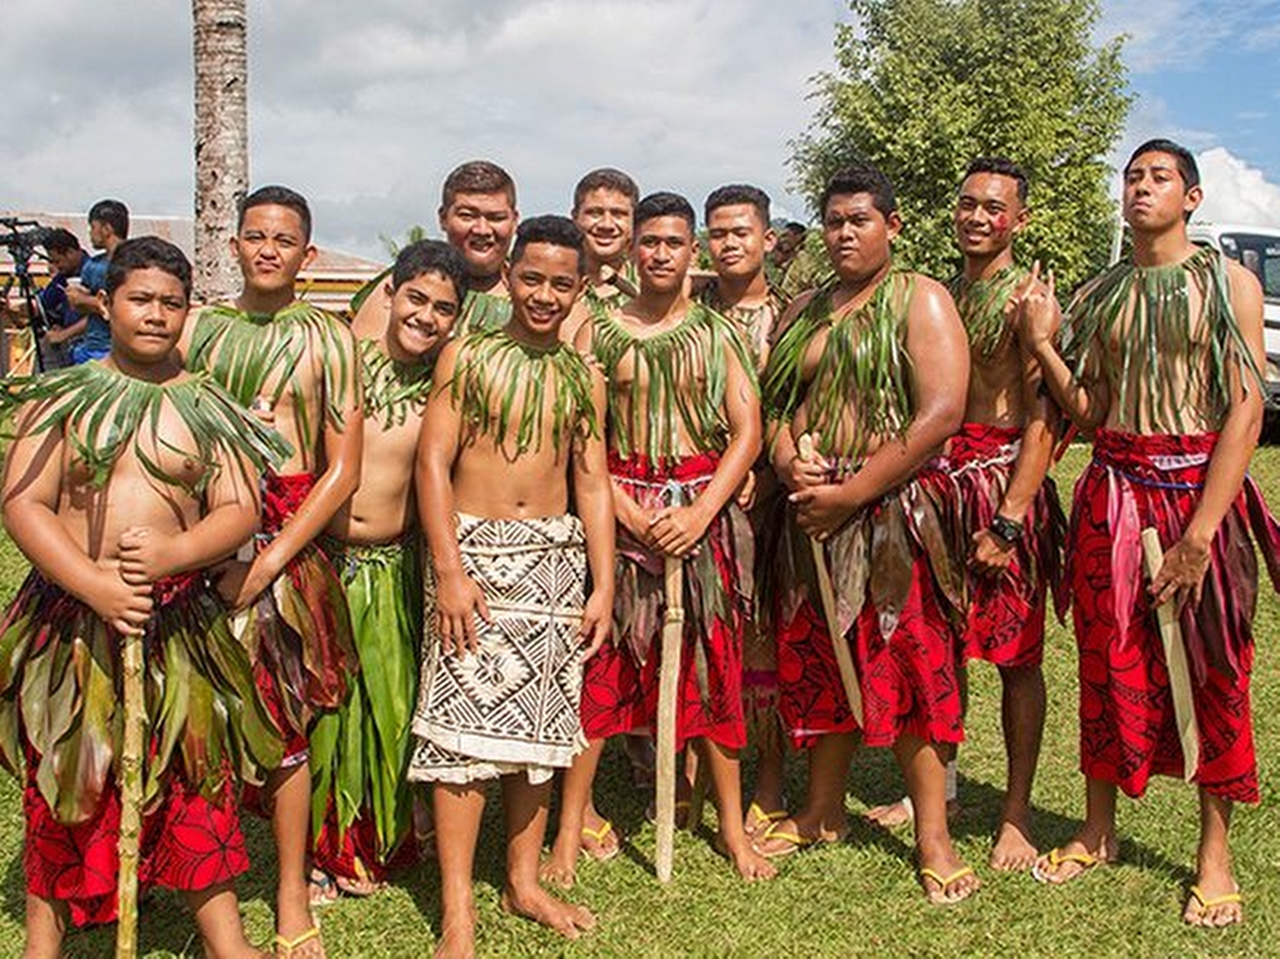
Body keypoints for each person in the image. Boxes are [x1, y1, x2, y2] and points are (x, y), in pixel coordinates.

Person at [0, 236, 288, 959]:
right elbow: (24, 502)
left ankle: (228, 942)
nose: (156, 314)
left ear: (188, 312)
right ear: (112, 301)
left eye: (172, 302)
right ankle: (44, 942)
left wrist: (174, 553)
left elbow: (238, 508)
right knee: (68, 777)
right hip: (73, 617)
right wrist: (94, 583)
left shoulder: (206, 406)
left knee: (196, 781)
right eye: (140, 299)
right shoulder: (65, 394)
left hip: (179, 621)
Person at [1022, 139, 1278, 928]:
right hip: (1113, 492)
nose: (1140, 187)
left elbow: (1245, 407)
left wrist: (1202, 530)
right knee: (1106, 661)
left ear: (1192, 198)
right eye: (1131, 177)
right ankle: (1097, 830)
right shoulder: (1101, 294)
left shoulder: (1226, 282)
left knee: (1213, 673)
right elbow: (1089, 410)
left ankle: (1213, 852)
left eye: (1158, 177)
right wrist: (1040, 342)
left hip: (1197, 494)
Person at [756, 164, 976, 905]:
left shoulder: (921, 299)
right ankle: (821, 811)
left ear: (893, 226)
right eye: (834, 221)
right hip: (814, 509)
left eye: (860, 220)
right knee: (818, 660)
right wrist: (792, 463)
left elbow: (940, 412)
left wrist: (851, 493)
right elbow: (776, 404)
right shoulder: (806, 310)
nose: (845, 233)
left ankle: (934, 835)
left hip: (894, 513)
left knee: (911, 665)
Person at [547, 191, 776, 884]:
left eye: (673, 243)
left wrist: (702, 511)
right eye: (649, 242)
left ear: (692, 251)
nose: (659, 254)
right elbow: (580, 440)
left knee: (715, 671)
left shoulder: (718, 333)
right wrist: (623, 510)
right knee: (602, 673)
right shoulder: (598, 332)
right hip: (622, 514)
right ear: (633, 249)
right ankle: (566, 833)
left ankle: (733, 829)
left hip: (701, 517)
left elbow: (747, 433)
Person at [409, 215, 614, 957]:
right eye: (532, 279)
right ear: (509, 277)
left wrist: (604, 581)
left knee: (537, 736)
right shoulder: (467, 356)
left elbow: (592, 483)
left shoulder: (584, 374)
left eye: (562, 283)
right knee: (461, 741)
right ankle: (457, 913)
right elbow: (433, 463)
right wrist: (449, 570)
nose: (545, 295)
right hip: (475, 560)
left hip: (555, 560)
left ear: (581, 288)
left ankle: (524, 881)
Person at [863, 158, 1065, 872]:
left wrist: (1010, 519)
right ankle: (937, 793)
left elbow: (1046, 422)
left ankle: (1014, 814)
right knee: (932, 647)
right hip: (936, 491)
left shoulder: (1028, 299)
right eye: (967, 204)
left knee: (1015, 657)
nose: (978, 217)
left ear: (1020, 219)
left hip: (1000, 484)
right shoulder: (939, 295)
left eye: (994, 207)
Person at [183, 185, 362, 957]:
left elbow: (342, 467)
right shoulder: (201, 333)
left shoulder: (330, 339)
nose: (266, 249)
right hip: (204, 539)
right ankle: (205, 881)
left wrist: (270, 561)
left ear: (306, 255)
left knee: (289, 719)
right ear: (232, 245)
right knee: (201, 716)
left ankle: (291, 890)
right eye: (253, 235)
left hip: (288, 540)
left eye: (282, 239)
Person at [310, 241, 468, 897]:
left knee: (393, 706)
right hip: (329, 560)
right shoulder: (342, 366)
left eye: (443, 309)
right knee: (329, 709)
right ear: (390, 293)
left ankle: (387, 833)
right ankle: (327, 847)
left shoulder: (445, 384)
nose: (426, 316)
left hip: (397, 564)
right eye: (416, 298)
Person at [699, 183, 789, 836]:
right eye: (719, 233)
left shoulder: (792, 316)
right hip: (699, 494)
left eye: (741, 232)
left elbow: (798, 399)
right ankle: (694, 772)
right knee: (707, 628)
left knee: (767, 635)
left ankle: (771, 774)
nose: (729, 244)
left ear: (768, 239)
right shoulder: (689, 309)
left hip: (770, 495)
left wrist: (762, 469)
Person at [561, 167, 640, 346]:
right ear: (575, 217)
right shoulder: (553, 287)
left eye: (618, 214)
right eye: (595, 213)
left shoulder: (652, 289)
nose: (606, 224)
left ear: (634, 221)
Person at [439, 160, 519, 336]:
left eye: (496, 218)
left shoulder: (538, 299)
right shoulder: (405, 288)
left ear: (514, 221)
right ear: (443, 219)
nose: (482, 230)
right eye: (467, 216)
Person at [0, 228, 86, 370]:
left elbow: (99, 315)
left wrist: (64, 335)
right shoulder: (62, 278)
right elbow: (40, 306)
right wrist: (10, 308)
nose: (57, 266)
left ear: (70, 252)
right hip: (67, 344)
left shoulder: (94, 271)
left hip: (86, 346)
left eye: (58, 261)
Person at [62, 198, 125, 364]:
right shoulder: (93, 265)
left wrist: (85, 300)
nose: (90, 234)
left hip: (116, 351)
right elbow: (79, 306)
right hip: (90, 347)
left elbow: (123, 307)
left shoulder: (133, 263)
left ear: (106, 229)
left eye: (92, 227)